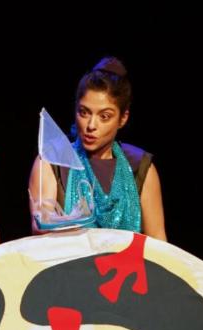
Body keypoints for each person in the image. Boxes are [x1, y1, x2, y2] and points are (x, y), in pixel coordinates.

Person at [29, 56, 166, 240]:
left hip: (128, 260)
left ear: (123, 118)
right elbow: (42, 230)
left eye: (104, 116)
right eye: (84, 112)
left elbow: (157, 241)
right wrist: (44, 223)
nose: (91, 125)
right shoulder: (54, 160)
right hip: (70, 258)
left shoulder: (139, 167)